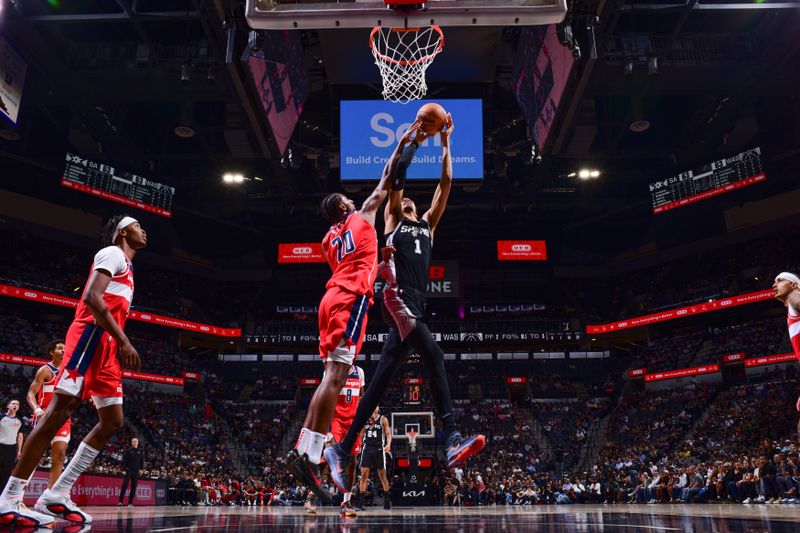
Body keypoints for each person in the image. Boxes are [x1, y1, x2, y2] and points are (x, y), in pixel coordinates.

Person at [326, 114, 485, 492]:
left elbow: (446, 183)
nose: (410, 198)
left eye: (414, 199)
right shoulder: (393, 217)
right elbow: (396, 180)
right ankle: (450, 438)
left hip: (415, 303)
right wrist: (412, 143)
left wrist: (446, 142)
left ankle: (342, 449)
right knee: (434, 355)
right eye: (407, 197)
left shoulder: (428, 224)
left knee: (379, 383)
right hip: (396, 298)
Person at [282, 123, 424, 504]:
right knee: (337, 374)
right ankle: (311, 454)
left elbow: (353, 267)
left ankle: (306, 449)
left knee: (330, 374)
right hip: (349, 302)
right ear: (344, 207)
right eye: (348, 199)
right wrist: (406, 142)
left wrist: (379, 263)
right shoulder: (361, 216)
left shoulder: (329, 239)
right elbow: (387, 178)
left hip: (329, 299)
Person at [0, 214, 145, 528]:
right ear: (122, 231)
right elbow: (93, 298)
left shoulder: (128, 266)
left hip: (106, 348)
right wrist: (124, 340)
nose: (143, 230)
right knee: (58, 412)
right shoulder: (112, 253)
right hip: (89, 339)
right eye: (137, 225)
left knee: (113, 420)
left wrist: (116, 341)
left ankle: (58, 492)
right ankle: (10, 497)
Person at [305, 365, 365, 517]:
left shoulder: (360, 372)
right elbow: (325, 395)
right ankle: (311, 496)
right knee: (328, 459)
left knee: (352, 461)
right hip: (335, 420)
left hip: (353, 422)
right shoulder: (332, 370)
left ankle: (346, 501)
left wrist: (362, 421)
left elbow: (362, 397)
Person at [27, 339, 71, 488]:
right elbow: (31, 393)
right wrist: (36, 409)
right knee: (34, 456)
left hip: (63, 419)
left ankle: (50, 495)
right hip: (44, 416)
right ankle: (18, 494)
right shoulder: (45, 370)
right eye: (59, 348)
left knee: (59, 456)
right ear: (52, 352)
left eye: (65, 348)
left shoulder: (69, 371)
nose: (63, 351)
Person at [356, 408, 392, 511]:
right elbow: (361, 435)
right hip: (367, 448)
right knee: (364, 474)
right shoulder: (365, 420)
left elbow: (388, 433)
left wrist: (388, 444)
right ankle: (361, 502)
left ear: (378, 408)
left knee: (382, 475)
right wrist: (358, 446)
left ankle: (387, 499)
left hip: (379, 448)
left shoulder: (383, 419)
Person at [773, 272, 800, 410]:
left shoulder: (795, 296)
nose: (774, 284)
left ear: (793, 285)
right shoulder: (792, 307)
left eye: (780, 280)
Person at [0, 401, 24, 492]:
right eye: (13, 403)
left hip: (11, 449)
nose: (15, 405)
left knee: (6, 475)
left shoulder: (19, 420)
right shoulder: (2, 417)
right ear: (8, 405)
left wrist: (19, 451)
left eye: (17, 404)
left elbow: (20, 437)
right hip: (0, 446)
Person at [118, 437, 143, 507]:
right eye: (133, 441)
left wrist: (142, 469)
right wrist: (123, 469)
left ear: (137, 443)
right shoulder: (128, 450)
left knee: (134, 487)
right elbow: (124, 460)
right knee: (125, 484)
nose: (135, 442)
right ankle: (120, 501)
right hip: (128, 470)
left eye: (136, 441)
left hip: (136, 471)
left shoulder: (140, 451)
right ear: (132, 443)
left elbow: (142, 461)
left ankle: (130, 503)